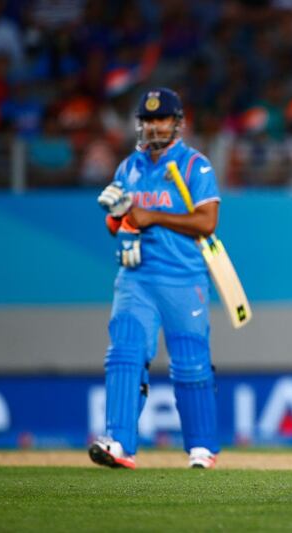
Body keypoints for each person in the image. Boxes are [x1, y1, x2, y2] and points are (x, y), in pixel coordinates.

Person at [89, 88, 221, 469]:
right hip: (135, 276)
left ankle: (202, 447)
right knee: (125, 354)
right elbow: (116, 224)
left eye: (161, 119)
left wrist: (149, 215)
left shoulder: (196, 166)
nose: (154, 126)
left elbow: (207, 222)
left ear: (176, 123)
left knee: (190, 364)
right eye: (148, 120)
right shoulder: (128, 167)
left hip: (184, 277)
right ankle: (118, 443)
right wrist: (118, 217)